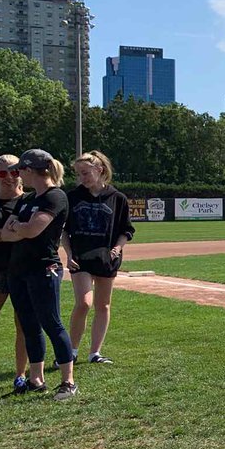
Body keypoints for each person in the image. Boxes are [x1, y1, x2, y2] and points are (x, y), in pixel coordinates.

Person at [1, 150, 78, 400]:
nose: (17, 175)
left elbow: (33, 230)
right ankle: (36, 379)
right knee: (29, 325)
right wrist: (20, 228)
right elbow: (6, 233)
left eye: (19, 170)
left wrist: (19, 228)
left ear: (30, 170)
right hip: (18, 270)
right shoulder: (27, 199)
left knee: (51, 323)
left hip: (44, 269)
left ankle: (68, 381)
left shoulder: (55, 196)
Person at [63, 151, 134, 366]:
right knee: (84, 303)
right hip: (80, 258)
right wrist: (69, 253)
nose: (81, 178)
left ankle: (95, 353)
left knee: (103, 306)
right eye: (78, 174)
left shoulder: (117, 198)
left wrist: (117, 248)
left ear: (100, 170)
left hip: (105, 259)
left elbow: (126, 230)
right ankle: (71, 352)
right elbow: (64, 230)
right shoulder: (73, 197)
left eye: (85, 173)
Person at [0, 155, 30, 392]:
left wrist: (1, 234)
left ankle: (20, 375)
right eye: (2, 173)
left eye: (14, 172)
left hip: (23, 269)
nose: (9, 177)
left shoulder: (30, 201)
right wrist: (9, 234)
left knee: (24, 325)